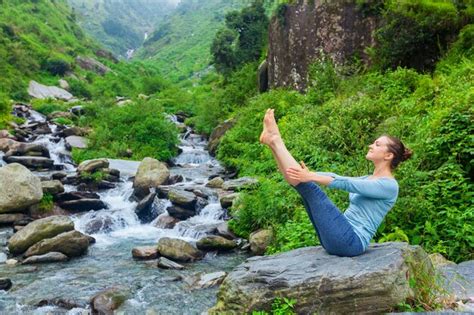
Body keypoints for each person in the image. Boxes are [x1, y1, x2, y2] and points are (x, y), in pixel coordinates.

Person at [259, 108, 412, 257]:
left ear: (388, 155)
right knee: (302, 181)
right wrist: (307, 174)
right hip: (339, 238)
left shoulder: (389, 186)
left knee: (310, 187)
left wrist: (310, 176)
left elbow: (347, 184)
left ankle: (275, 140)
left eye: (377, 144)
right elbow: (336, 176)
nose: (371, 145)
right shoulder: (368, 178)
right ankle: (273, 143)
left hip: (352, 242)